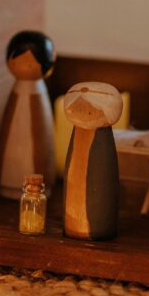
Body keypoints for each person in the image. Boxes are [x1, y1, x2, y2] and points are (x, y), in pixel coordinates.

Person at [0, 30, 57, 199]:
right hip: (6, 184)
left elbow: (43, 137)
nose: (24, 66)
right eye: (16, 61)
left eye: (31, 64)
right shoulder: (16, 94)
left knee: (37, 149)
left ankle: (39, 186)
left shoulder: (39, 96)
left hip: (41, 190)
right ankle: (7, 182)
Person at [62, 82, 123, 241]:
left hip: (103, 234)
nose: (83, 92)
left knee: (99, 191)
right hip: (70, 230)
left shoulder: (103, 140)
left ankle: (95, 227)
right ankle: (77, 226)